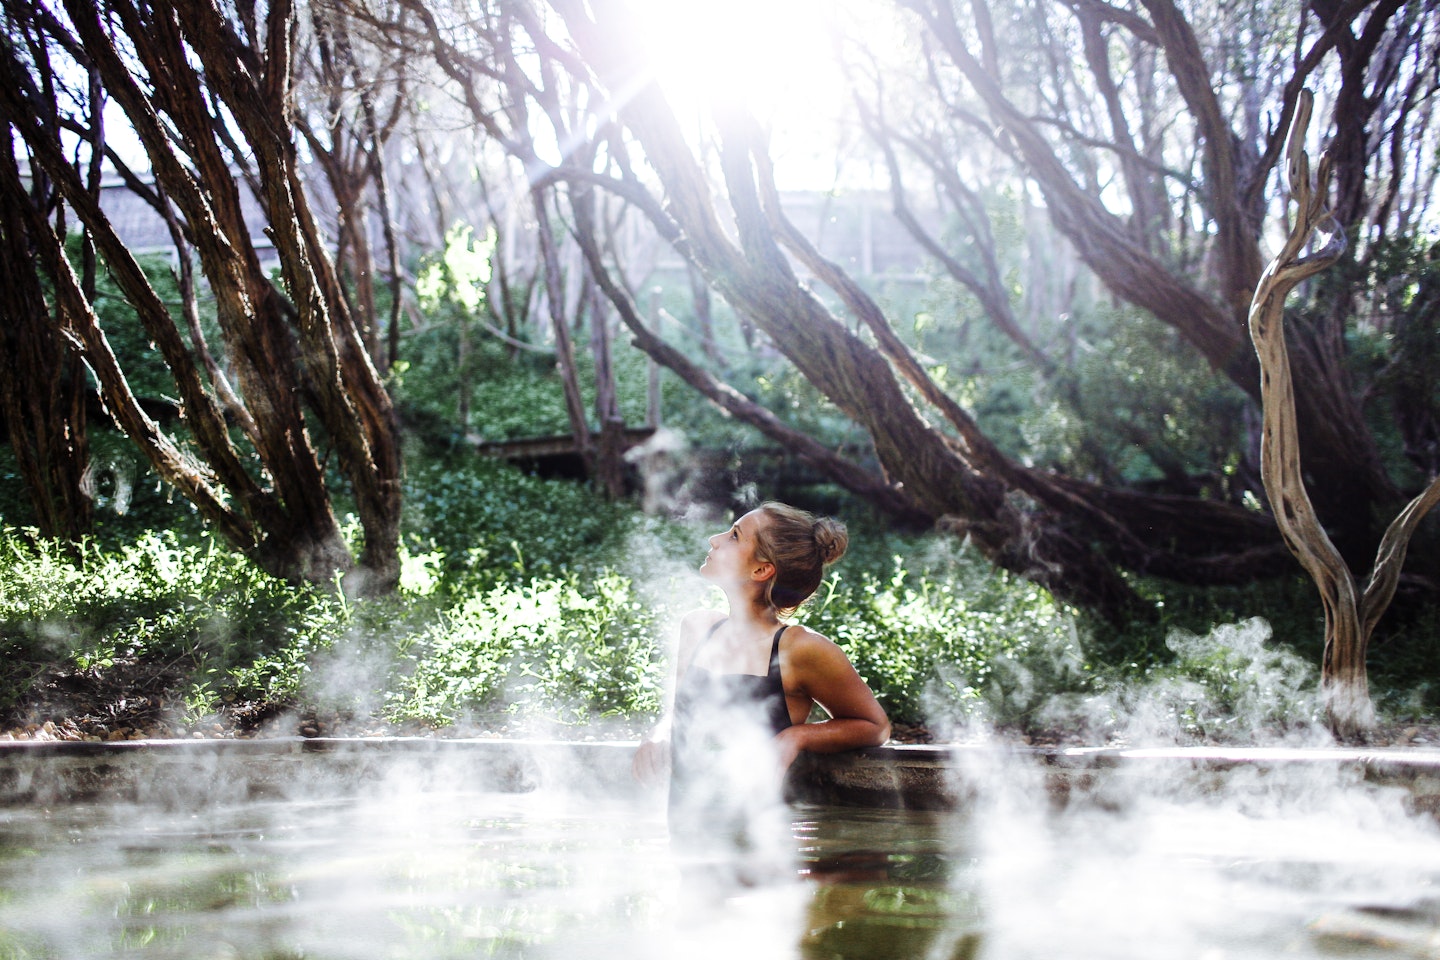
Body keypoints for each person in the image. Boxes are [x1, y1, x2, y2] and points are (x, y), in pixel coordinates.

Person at [633, 502, 890, 852]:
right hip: (686, 837)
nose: (714, 539)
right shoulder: (698, 627)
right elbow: (679, 711)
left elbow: (875, 726)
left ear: (762, 570)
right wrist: (660, 733)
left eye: (734, 535)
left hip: (762, 850)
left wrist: (795, 737)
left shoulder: (799, 649)